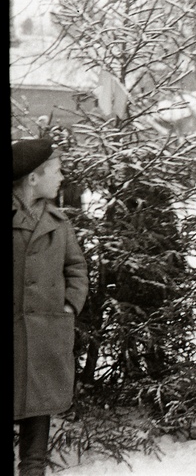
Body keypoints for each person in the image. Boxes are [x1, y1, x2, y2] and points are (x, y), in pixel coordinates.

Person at [13, 138, 89, 476]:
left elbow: (77, 268)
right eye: (56, 171)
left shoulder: (59, 222)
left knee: (38, 420)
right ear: (33, 177)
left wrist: (70, 305)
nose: (61, 177)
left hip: (45, 336)